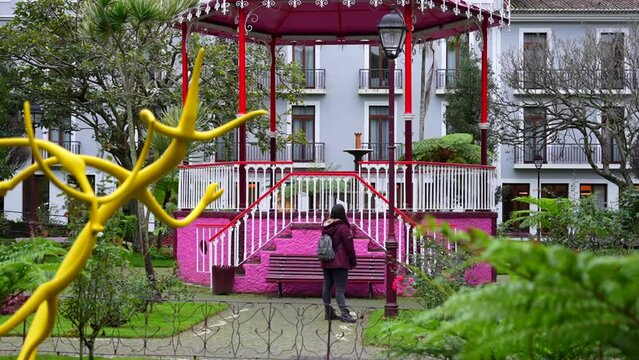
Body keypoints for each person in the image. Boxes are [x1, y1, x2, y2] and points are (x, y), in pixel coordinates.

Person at [321, 204, 357, 323]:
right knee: (340, 289)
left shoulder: (325, 225)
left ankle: (328, 312)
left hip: (326, 260)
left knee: (327, 286)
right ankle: (344, 314)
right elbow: (349, 247)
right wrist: (353, 260)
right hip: (340, 262)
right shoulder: (343, 228)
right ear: (343, 213)